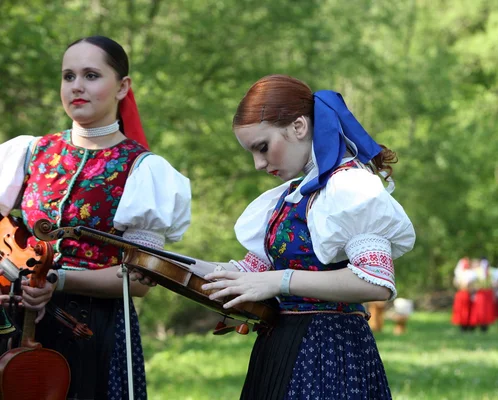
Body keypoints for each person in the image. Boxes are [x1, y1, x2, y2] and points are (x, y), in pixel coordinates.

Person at [136, 74, 415, 399]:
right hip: (277, 348)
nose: (257, 164)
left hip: (330, 354)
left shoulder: (350, 187)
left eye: (263, 147)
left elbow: (376, 282)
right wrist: (161, 263)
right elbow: (249, 274)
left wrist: (280, 281)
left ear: (299, 127)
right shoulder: (289, 197)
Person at [0, 35, 191, 399]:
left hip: (95, 330)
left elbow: (138, 280)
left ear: (122, 87)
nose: (76, 87)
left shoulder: (144, 170)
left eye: (91, 75)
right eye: (68, 76)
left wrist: (58, 280)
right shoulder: (28, 152)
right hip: (16, 322)